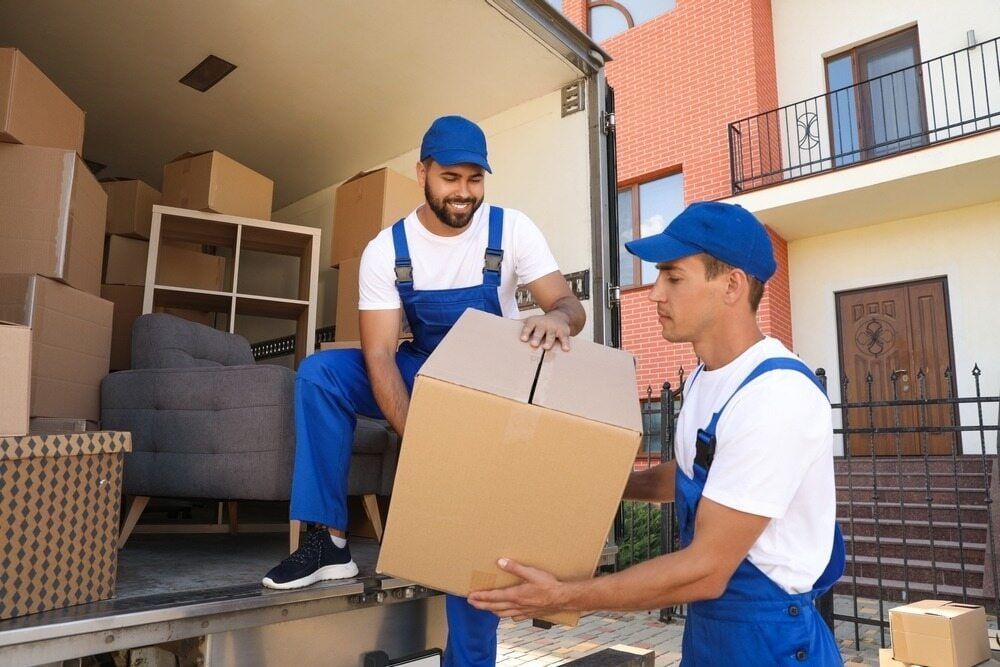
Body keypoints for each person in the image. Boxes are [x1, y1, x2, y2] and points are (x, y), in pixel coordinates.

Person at [262, 115, 586, 667]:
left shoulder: (512, 230)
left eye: (474, 180)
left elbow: (569, 305)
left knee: (474, 540)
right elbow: (380, 355)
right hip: (420, 370)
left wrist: (558, 319)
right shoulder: (387, 250)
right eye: (451, 178)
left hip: (489, 387)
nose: (464, 193)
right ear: (423, 173)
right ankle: (328, 542)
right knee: (321, 374)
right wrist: (421, 440)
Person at [469, 201, 844, 665]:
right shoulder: (706, 378)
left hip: (770, 641)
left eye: (673, 276)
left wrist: (565, 596)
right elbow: (696, 473)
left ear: (731, 285)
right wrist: (612, 487)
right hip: (713, 633)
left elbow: (705, 571)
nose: (654, 294)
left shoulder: (775, 396)